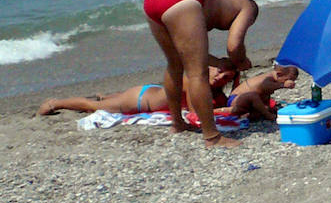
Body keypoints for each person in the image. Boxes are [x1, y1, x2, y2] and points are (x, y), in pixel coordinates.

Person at [141, 0, 259, 147]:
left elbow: (185, 53)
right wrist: (242, 62)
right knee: (198, 74)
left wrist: (218, 62)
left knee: (175, 64)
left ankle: (177, 123)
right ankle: (212, 137)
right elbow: (234, 46)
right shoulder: (247, 8)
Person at [38, 66, 236, 117]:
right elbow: (196, 113)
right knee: (93, 107)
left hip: (152, 91)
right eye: (219, 72)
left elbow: (229, 102)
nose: (220, 78)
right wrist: (223, 112)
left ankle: (107, 96)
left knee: (109, 100)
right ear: (210, 67)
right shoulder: (194, 82)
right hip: (140, 101)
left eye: (226, 78)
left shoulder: (215, 91)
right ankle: (56, 102)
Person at [225, 65, 299, 121]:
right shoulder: (268, 78)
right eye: (287, 79)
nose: (290, 82)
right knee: (252, 95)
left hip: (247, 104)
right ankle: (267, 115)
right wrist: (283, 85)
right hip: (235, 100)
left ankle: (247, 115)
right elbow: (265, 86)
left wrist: (267, 107)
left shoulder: (274, 80)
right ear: (279, 74)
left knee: (261, 111)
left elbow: (266, 94)